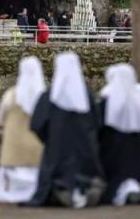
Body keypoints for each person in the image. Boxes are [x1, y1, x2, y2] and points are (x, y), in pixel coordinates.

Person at [26, 52, 105, 208]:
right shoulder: (87, 96)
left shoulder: (50, 96)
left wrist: (48, 139)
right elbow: (98, 122)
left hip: (57, 152)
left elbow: (36, 124)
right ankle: (83, 188)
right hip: (85, 152)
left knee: (55, 172)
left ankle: (61, 189)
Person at [98, 64, 140, 205]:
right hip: (135, 159)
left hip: (112, 157)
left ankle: (125, 194)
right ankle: (134, 190)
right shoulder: (138, 100)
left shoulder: (107, 100)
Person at [0, 57, 46, 203]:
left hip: (14, 149)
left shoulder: (11, 95)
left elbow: (0, 118)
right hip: (37, 149)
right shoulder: (44, 97)